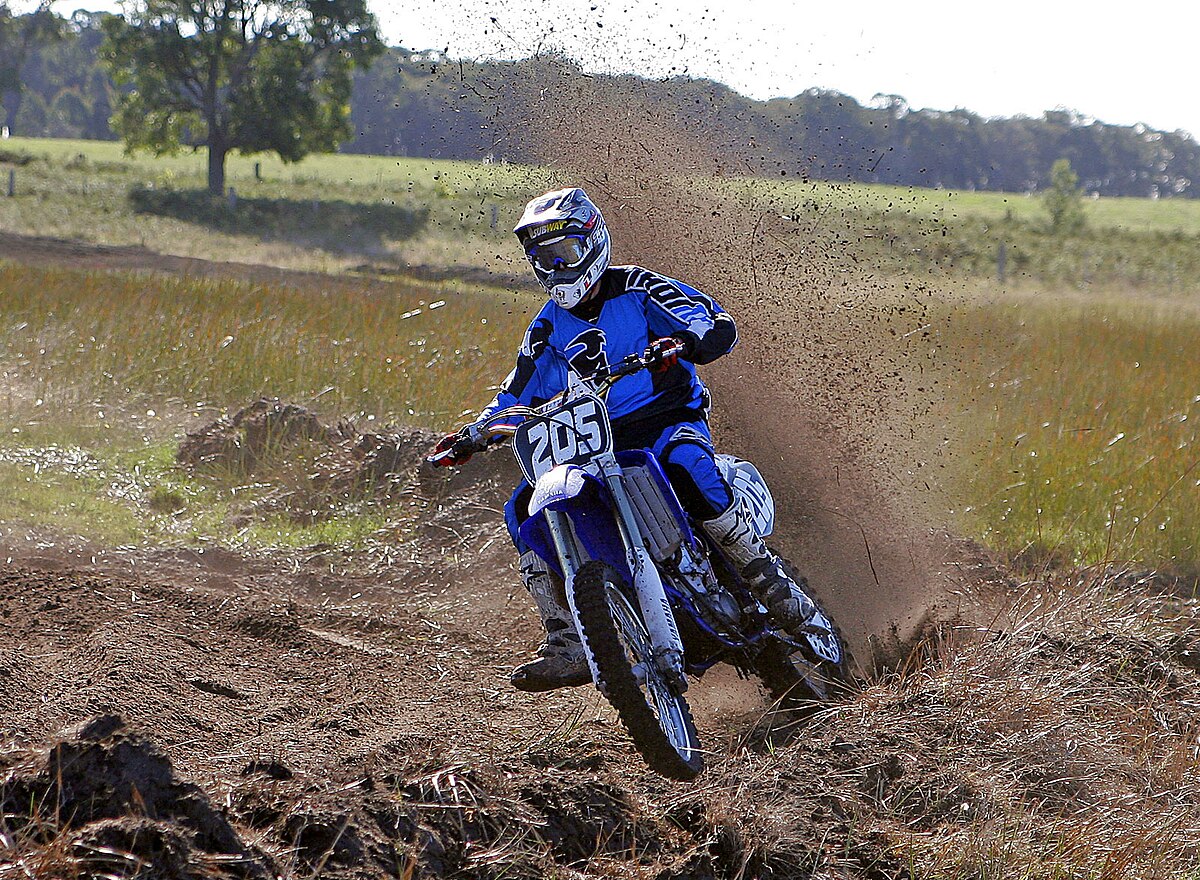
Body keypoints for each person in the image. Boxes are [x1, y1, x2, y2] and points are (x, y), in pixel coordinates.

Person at [432, 187, 816, 692]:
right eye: (544, 258)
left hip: (664, 419)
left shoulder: (638, 287)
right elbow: (515, 392)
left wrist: (690, 341)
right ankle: (568, 638)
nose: (556, 266)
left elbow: (708, 319)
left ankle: (760, 571)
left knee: (684, 464)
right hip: (593, 440)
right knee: (523, 507)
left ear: (592, 242)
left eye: (564, 253)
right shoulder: (546, 329)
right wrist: (474, 433)